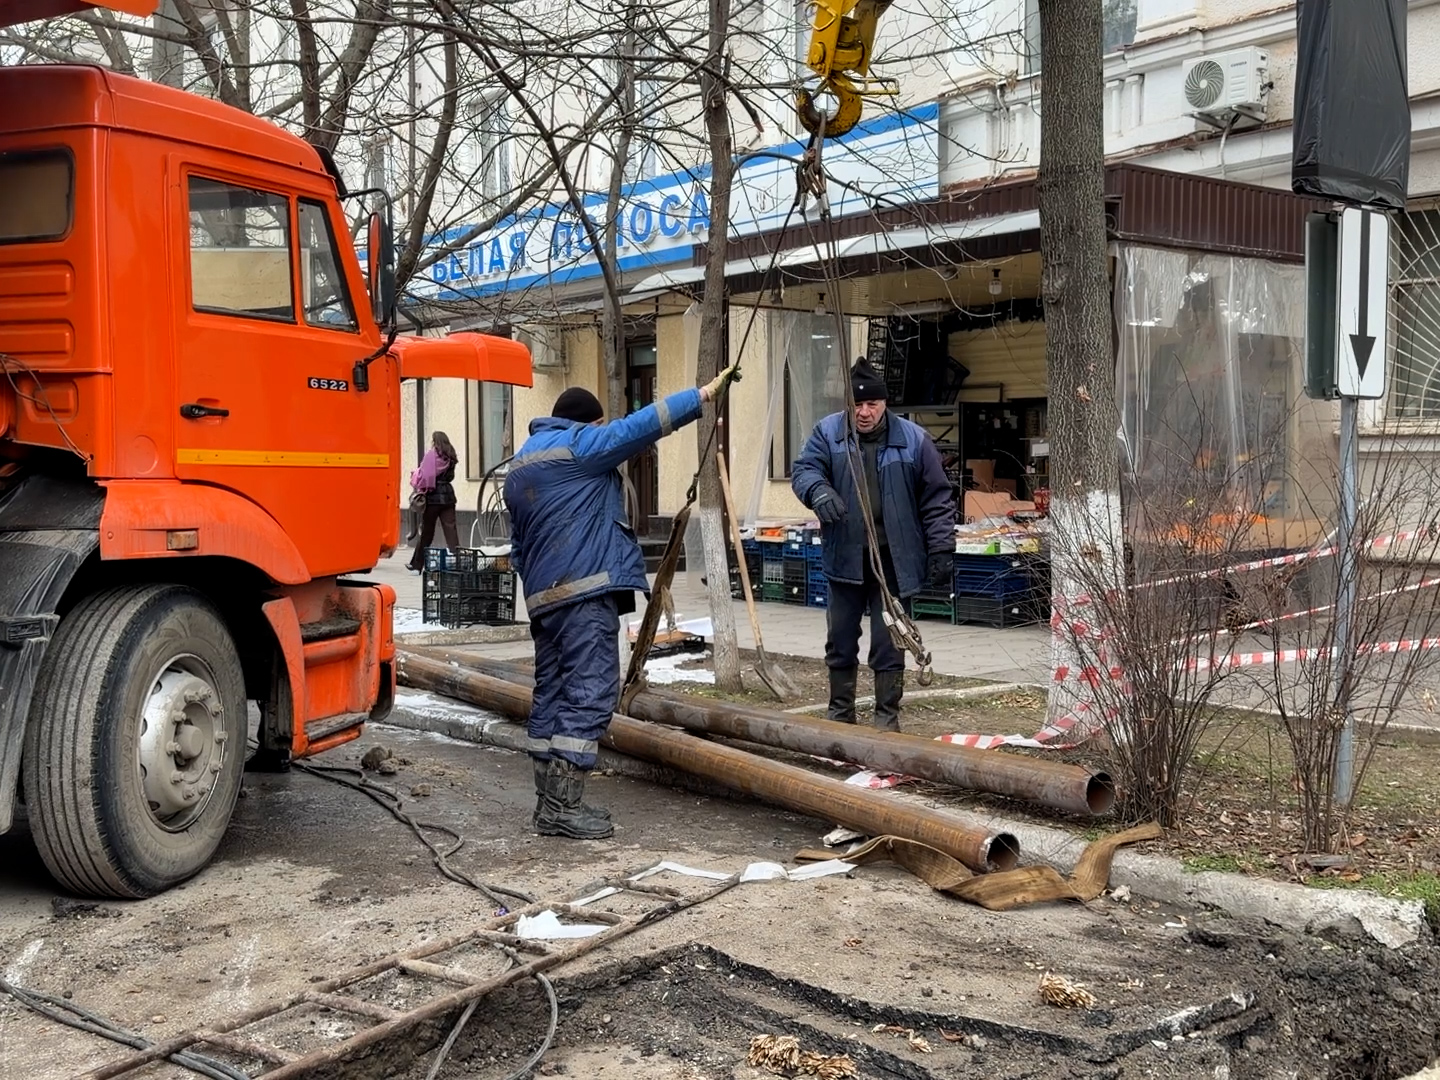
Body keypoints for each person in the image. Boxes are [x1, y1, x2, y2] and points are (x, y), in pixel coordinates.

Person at [504, 367, 738, 840]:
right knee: (590, 692)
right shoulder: (581, 447)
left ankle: (547, 802)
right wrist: (702, 396)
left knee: (551, 692)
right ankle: (563, 808)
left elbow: (518, 549)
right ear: (590, 424)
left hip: (545, 602)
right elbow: (639, 426)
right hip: (585, 592)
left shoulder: (520, 467)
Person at [791, 358, 955, 731]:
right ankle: (840, 717)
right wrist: (818, 490)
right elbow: (804, 469)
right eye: (857, 405)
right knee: (841, 641)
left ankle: (887, 720)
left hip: (894, 564)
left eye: (872, 405)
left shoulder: (915, 440)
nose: (864, 413)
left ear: (885, 404)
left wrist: (942, 548)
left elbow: (937, 497)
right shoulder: (828, 433)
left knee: (890, 643)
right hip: (845, 559)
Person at [407, 431, 461, 571]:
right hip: (448, 497)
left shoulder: (431, 456)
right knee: (451, 531)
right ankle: (459, 562)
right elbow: (450, 477)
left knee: (427, 532)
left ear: (435, 441)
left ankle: (417, 564)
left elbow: (425, 476)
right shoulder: (451, 457)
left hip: (432, 497)